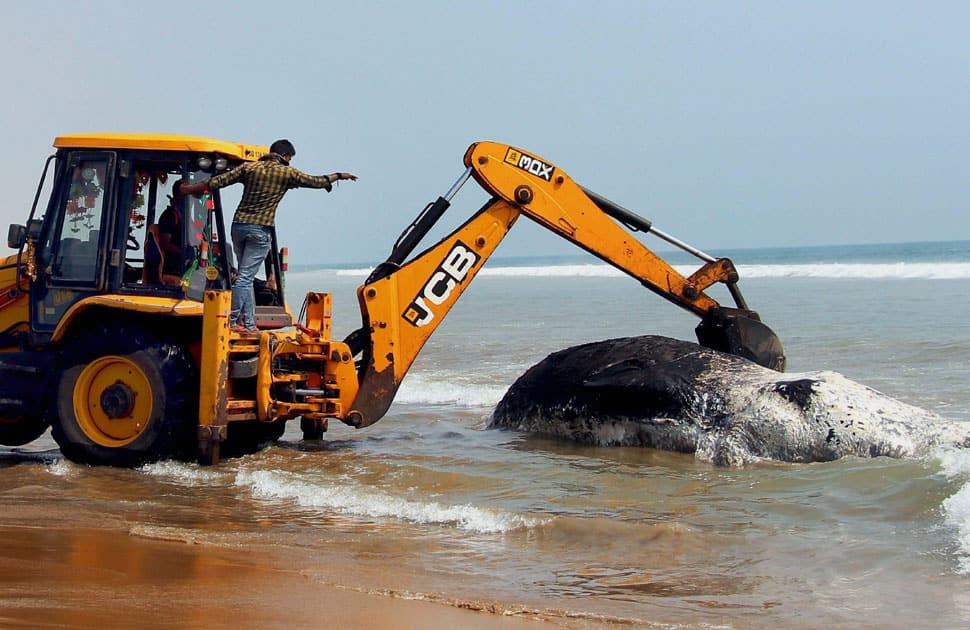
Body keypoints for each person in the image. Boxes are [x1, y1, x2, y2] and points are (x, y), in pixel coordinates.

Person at [181, 139, 357, 333]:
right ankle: (231, 321)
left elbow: (217, 182)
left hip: (239, 226)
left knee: (244, 276)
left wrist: (189, 189)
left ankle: (248, 323)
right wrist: (339, 176)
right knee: (245, 277)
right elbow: (317, 182)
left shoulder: (250, 168)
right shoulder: (287, 172)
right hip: (260, 229)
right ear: (285, 156)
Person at [156, 179, 185, 277]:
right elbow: (166, 244)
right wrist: (184, 253)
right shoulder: (170, 216)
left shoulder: (185, 218)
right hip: (173, 269)